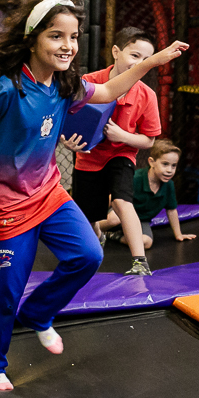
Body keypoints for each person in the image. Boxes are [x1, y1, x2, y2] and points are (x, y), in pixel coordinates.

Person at [0, 0, 189, 392]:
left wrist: (151, 62)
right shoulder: (8, 89)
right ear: (32, 39)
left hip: (48, 193)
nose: (67, 45)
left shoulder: (65, 85)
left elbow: (109, 90)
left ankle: (40, 312)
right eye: (56, 36)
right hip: (6, 203)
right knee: (7, 290)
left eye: (74, 37)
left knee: (88, 255)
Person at [74, 27, 161, 276]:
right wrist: (67, 139)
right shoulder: (89, 82)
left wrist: (122, 137)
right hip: (88, 156)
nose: (140, 64)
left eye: (147, 60)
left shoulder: (147, 95)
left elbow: (149, 141)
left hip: (121, 154)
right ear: (116, 52)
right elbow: (67, 120)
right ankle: (97, 242)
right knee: (89, 215)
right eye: (134, 56)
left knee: (123, 201)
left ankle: (140, 262)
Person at [98, 140, 196, 250]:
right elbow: (112, 198)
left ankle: (112, 235)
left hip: (140, 221)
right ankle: (90, 230)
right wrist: (95, 216)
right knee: (114, 219)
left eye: (173, 166)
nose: (169, 170)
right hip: (121, 214)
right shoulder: (136, 179)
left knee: (146, 242)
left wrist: (178, 234)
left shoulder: (169, 186)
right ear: (151, 162)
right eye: (165, 164)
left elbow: (171, 210)